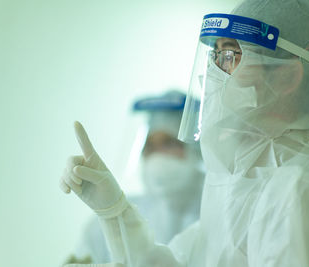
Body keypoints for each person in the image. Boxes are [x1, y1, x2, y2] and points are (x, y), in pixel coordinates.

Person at [60, 0, 309, 266]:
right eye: (215, 57)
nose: (215, 75)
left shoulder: (300, 190)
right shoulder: (243, 183)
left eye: (231, 56)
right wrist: (115, 212)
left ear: (287, 74)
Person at [61, 91, 203, 264]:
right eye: (149, 146)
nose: (157, 157)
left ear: (197, 150)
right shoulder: (108, 216)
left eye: (169, 143)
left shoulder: (220, 216)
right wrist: (112, 213)